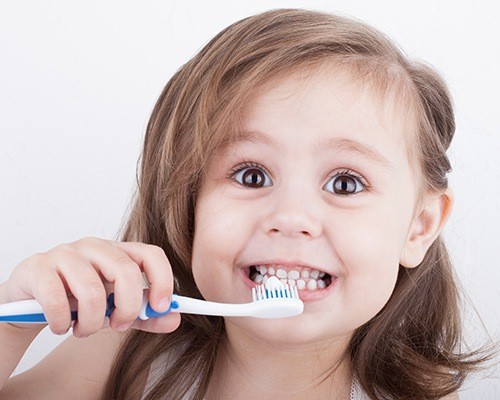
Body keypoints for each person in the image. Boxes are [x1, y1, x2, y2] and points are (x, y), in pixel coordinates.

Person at [0, 8, 490, 400]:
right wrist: (10, 320)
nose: (291, 218)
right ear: (187, 203)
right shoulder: (122, 359)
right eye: (251, 176)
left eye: (345, 184)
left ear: (418, 227)